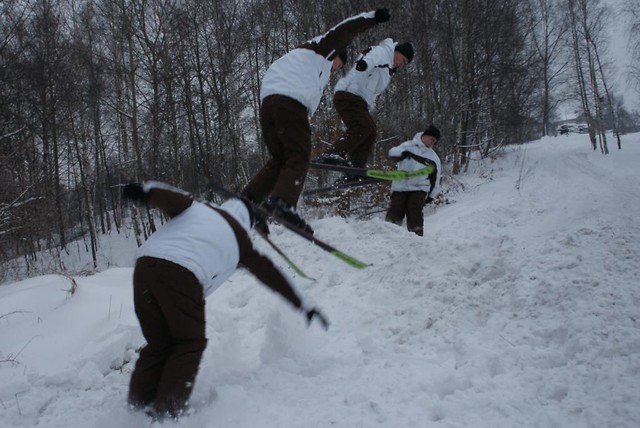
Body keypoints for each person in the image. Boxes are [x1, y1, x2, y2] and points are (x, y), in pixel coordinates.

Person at [122, 180, 328, 421]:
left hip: (144, 268)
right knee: (188, 343)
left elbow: (172, 198)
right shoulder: (241, 240)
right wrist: (304, 304)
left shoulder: (198, 208)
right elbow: (271, 275)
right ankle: (166, 415)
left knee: (158, 344)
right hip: (182, 273)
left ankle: (136, 409)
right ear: (249, 222)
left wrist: (145, 194)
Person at [242, 9, 391, 235]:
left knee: (280, 160)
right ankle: (282, 204)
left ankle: (247, 204)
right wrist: (372, 18)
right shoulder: (322, 49)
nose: (335, 69)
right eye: (338, 64)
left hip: (268, 105)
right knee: (299, 155)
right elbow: (344, 30)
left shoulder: (298, 58)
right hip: (289, 103)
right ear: (336, 55)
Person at [314, 40, 415, 169]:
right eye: (404, 60)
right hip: (349, 94)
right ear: (398, 52)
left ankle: (356, 167)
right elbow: (373, 57)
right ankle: (333, 154)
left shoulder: (388, 67)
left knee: (371, 130)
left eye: (405, 64)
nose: (402, 64)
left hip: (358, 100)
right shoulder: (384, 52)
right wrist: (364, 64)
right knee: (363, 126)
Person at [385, 126, 442, 236]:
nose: (433, 143)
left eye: (435, 142)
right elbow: (392, 153)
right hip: (400, 186)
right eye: (432, 139)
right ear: (425, 135)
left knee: (414, 210)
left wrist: (431, 195)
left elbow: (436, 178)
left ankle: (416, 239)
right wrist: (402, 154)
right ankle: (388, 234)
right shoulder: (408, 146)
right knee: (396, 209)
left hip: (419, 189)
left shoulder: (433, 158)